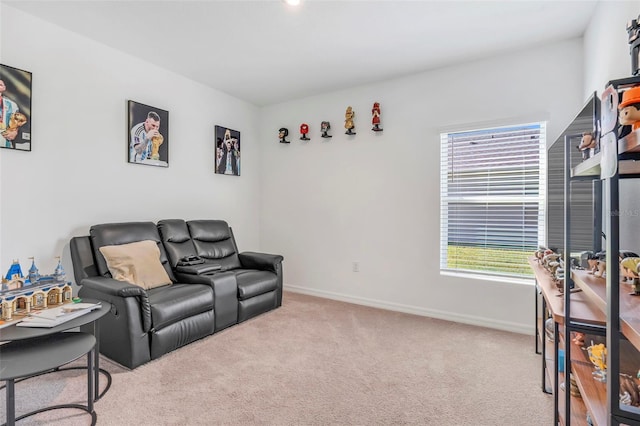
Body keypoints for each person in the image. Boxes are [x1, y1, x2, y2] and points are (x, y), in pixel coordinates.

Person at [0, 79, 21, 149]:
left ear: (4, 88)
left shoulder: (12, 105)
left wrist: (14, 132)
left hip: (4, 141)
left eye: (0, 85)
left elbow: (16, 123)